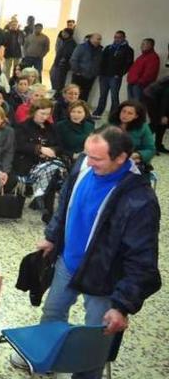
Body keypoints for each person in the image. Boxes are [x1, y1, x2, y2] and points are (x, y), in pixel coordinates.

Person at [30, 128, 161, 379]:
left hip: (103, 275)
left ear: (121, 158)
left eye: (97, 158)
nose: (89, 162)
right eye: (87, 155)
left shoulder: (140, 200)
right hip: (68, 263)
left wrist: (122, 305)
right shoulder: (83, 164)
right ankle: (44, 361)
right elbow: (66, 203)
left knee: (96, 336)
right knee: (52, 313)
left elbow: (142, 260)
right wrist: (52, 236)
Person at [14, 98, 66, 223]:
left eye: (48, 114)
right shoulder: (23, 126)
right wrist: (40, 149)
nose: (45, 117)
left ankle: (43, 204)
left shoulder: (51, 127)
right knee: (56, 171)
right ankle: (48, 209)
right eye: (42, 113)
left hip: (49, 163)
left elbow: (60, 147)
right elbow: (20, 146)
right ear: (34, 111)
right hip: (28, 164)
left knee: (53, 171)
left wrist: (52, 151)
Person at [93, 31, 134, 119]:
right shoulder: (109, 48)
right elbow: (102, 60)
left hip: (115, 77)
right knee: (102, 95)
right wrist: (100, 72)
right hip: (104, 76)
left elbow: (129, 64)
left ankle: (113, 115)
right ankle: (98, 112)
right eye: (115, 37)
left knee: (114, 96)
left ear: (124, 38)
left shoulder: (128, 50)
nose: (117, 39)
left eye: (119, 37)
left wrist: (119, 74)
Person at [108, 100, 156, 170]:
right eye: (123, 111)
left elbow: (151, 150)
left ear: (136, 116)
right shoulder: (112, 123)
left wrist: (137, 155)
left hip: (133, 160)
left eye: (130, 113)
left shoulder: (143, 127)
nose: (125, 115)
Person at [70, 33, 103, 102]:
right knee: (74, 94)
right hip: (79, 76)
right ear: (91, 39)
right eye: (97, 39)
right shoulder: (81, 47)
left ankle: (82, 110)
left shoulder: (100, 49)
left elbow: (99, 62)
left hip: (90, 77)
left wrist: (95, 73)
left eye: (100, 39)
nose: (99, 41)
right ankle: (71, 109)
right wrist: (77, 71)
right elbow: (73, 60)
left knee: (85, 95)